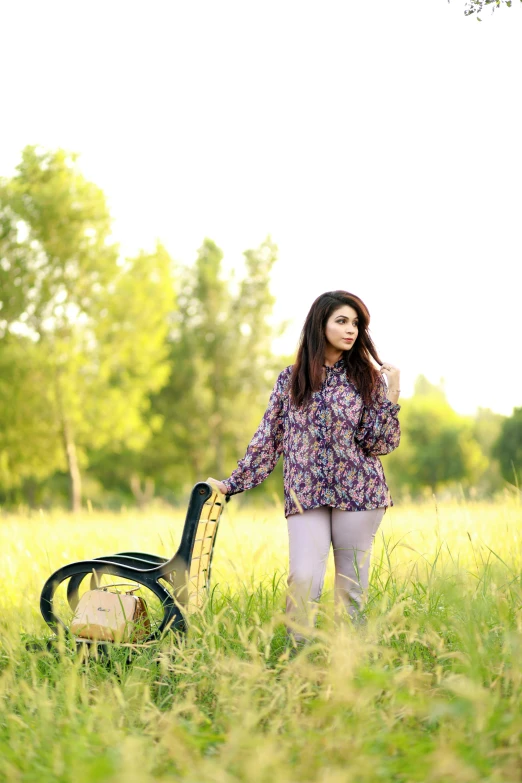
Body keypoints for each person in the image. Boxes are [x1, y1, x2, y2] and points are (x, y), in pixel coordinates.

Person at [207, 290, 401, 644]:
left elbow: (380, 444)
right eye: (341, 321)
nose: (351, 330)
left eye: (356, 323)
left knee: (351, 593)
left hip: (359, 495)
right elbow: (268, 438)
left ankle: (349, 667)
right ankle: (298, 665)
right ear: (319, 325)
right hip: (306, 493)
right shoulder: (290, 379)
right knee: (303, 579)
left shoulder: (367, 379)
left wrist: (393, 394)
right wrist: (231, 484)